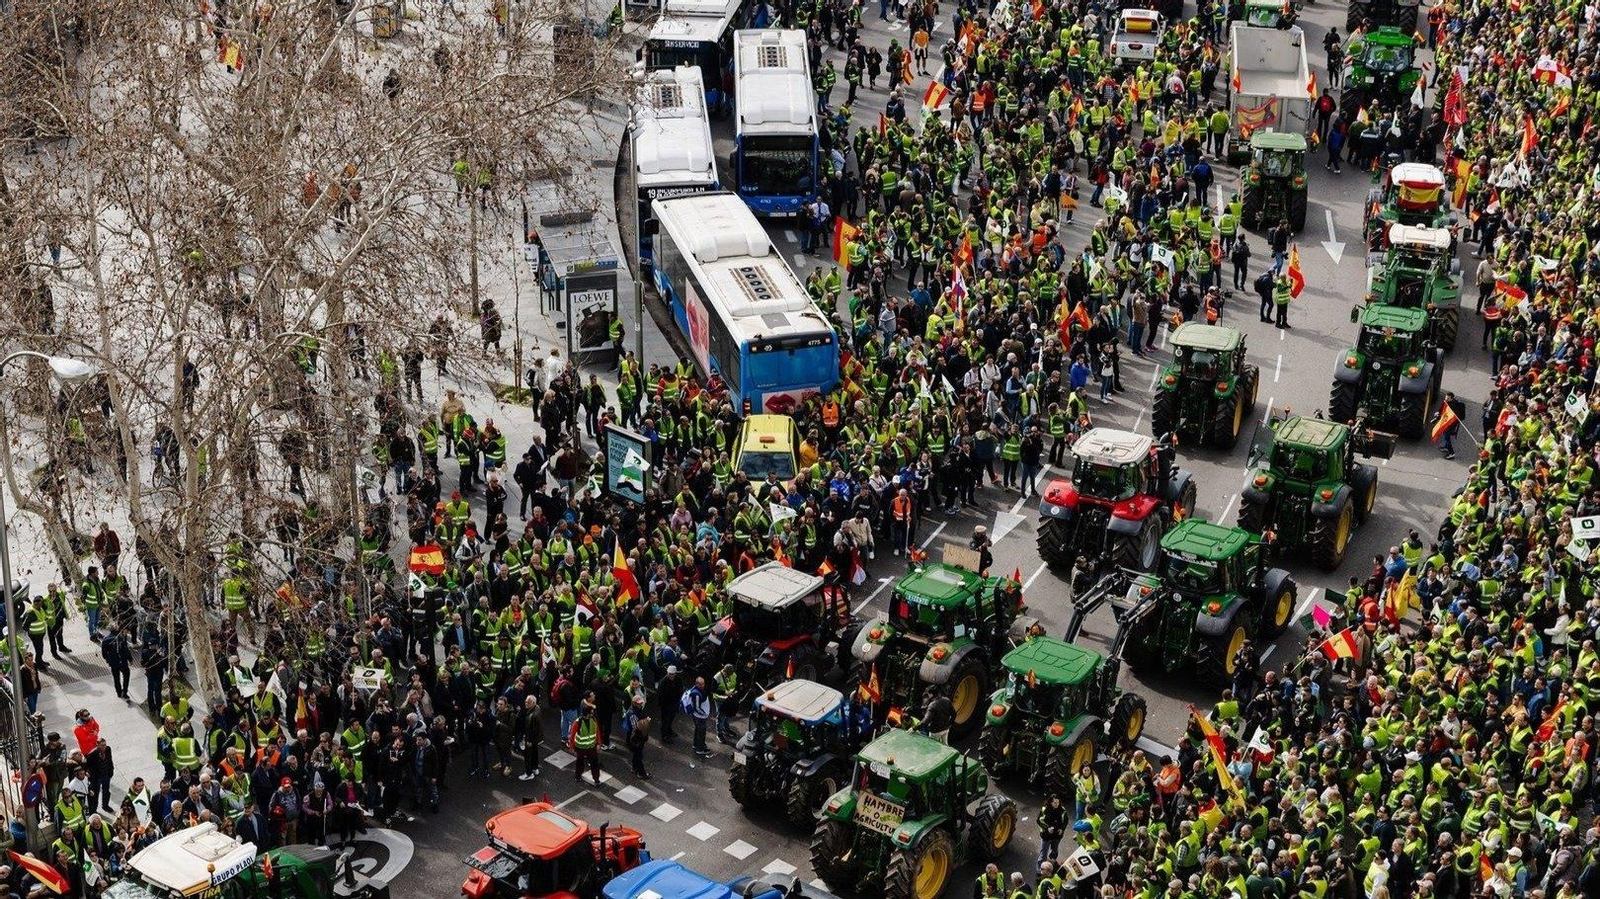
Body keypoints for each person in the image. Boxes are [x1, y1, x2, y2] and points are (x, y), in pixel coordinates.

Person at [566, 704, 602, 786]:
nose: (593, 714)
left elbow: (597, 731)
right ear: (587, 714)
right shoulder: (577, 722)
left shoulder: (593, 719)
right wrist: (572, 747)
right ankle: (578, 776)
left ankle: (596, 779)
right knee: (580, 763)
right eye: (591, 713)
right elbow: (572, 736)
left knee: (594, 764)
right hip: (580, 748)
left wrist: (599, 743)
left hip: (591, 747)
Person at [623, 695, 652, 779]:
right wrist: (646, 721)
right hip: (637, 738)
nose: (641, 704)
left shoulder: (636, 710)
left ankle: (634, 768)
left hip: (638, 737)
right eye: (639, 703)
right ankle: (641, 773)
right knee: (639, 755)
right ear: (634, 703)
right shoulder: (632, 714)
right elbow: (636, 727)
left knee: (636, 754)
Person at [684, 676, 712, 758]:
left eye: (703, 684)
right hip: (699, 717)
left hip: (698, 717)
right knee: (701, 733)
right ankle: (700, 749)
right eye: (700, 684)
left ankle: (696, 745)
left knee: (698, 731)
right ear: (696, 684)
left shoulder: (696, 690)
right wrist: (705, 714)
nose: (702, 685)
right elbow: (697, 708)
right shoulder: (697, 694)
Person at [1038, 794, 1068, 864]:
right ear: (1051, 802)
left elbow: (1066, 821)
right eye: (1055, 803)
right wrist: (1047, 828)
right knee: (1043, 854)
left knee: (1055, 851)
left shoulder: (1062, 810)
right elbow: (1039, 821)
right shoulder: (1045, 809)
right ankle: (1040, 869)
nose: (1057, 804)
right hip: (1046, 836)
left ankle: (1051, 864)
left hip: (1057, 836)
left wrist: (1062, 829)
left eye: (1058, 802)